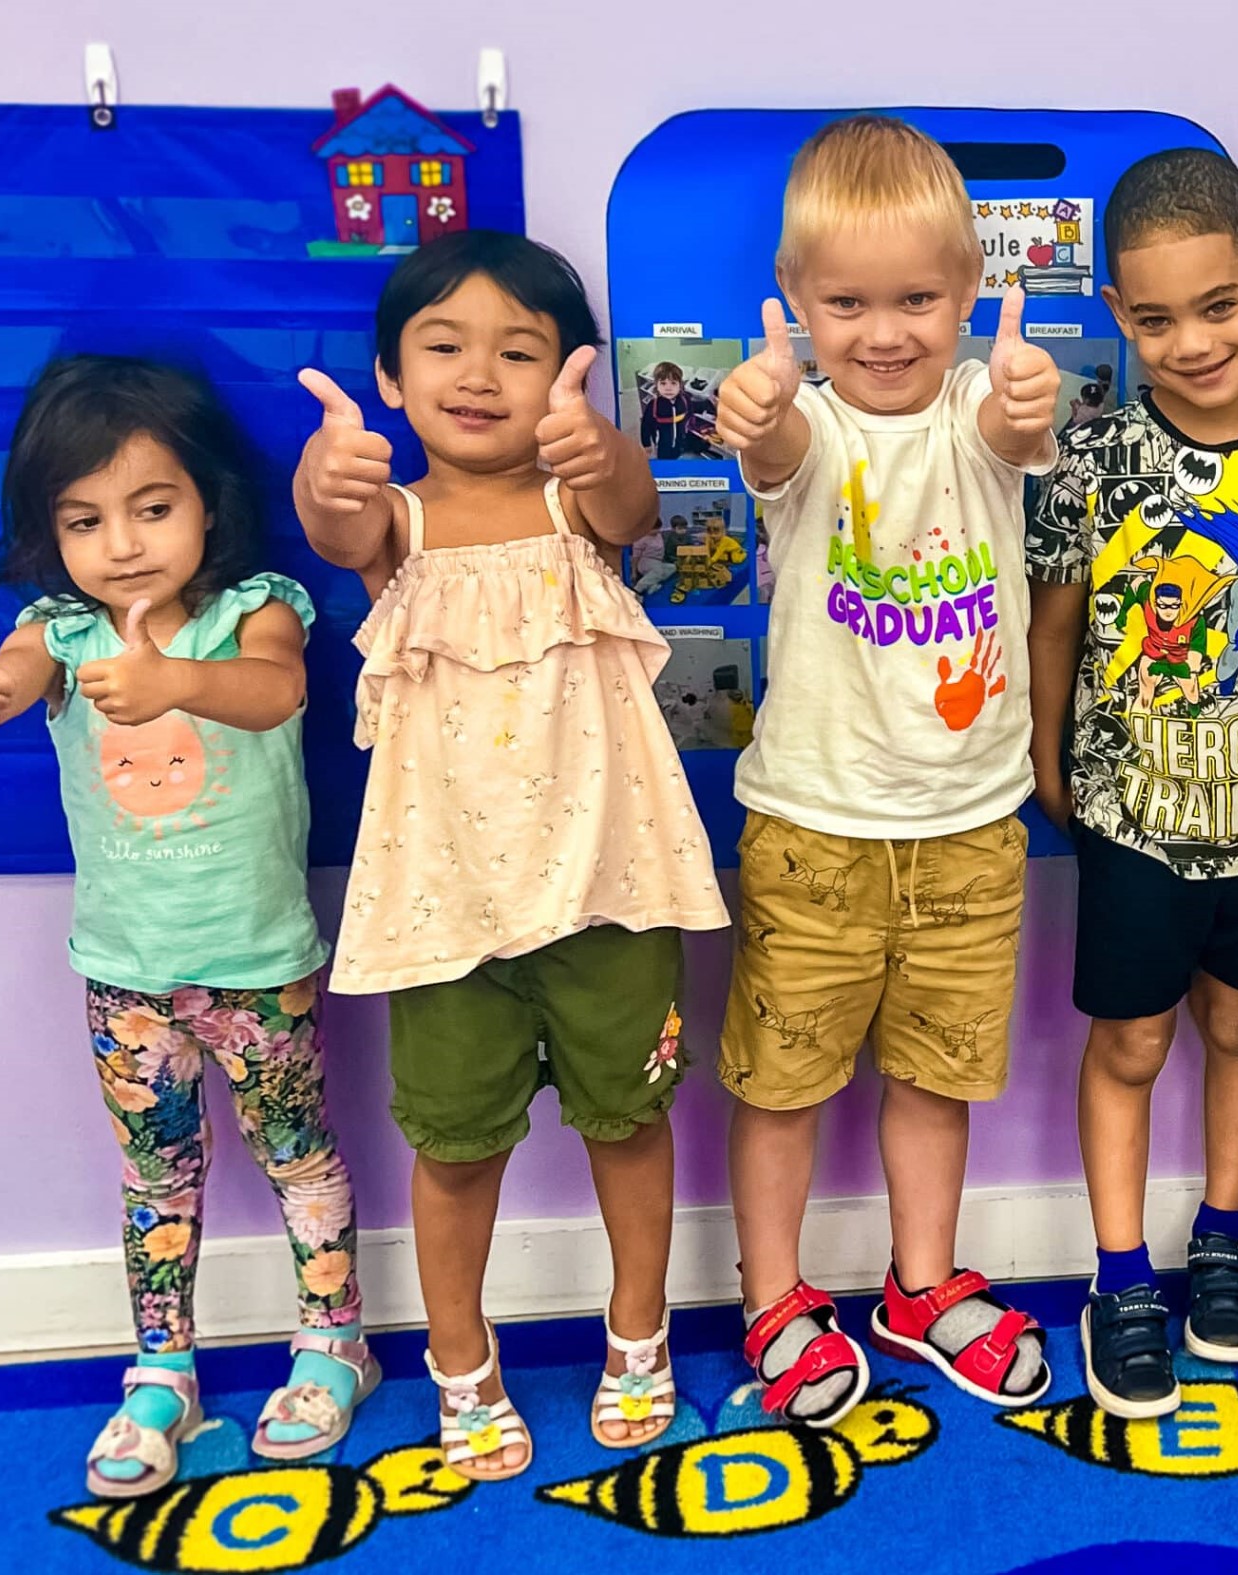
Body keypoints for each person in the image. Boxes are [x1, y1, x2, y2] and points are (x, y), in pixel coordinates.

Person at [292, 230, 729, 1480]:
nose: (480, 372)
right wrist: (329, 483)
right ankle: (458, 1359)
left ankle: (636, 1330)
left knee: (628, 1122)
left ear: (563, 376)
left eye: (518, 351)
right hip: (444, 906)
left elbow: (631, 507)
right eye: (443, 346)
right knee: (454, 1145)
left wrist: (601, 447)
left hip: (609, 882)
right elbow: (335, 533)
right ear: (388, 374)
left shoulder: (569, 503)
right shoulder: (395, 520)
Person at [0, 354, 370, 1497]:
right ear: (49, 531)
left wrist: (175, 677)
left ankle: (334, 1343)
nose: (121, 542)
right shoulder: (59, 632)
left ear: (208, 500)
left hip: (259, 962)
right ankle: (162, 1370)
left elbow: (275, 691)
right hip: (123, 974)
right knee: (155, 1180)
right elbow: (10, 676)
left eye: (151, 507)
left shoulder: (255, 608)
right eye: (84, 518)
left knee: (295, 1155)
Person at [709, 114, 1063, 1425]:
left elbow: (1021, 431)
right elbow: (776, 456)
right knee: (784, 1080)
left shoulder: (983, 405)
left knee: (937, 1073)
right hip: (815, 830)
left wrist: (1029, 397)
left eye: (918, 297)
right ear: (798, 303)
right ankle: (775, 1297)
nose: (885, 329)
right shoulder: (803, 426)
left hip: (975, 828)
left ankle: (921, 1284)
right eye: (846, 302)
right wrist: (757, 407)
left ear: (967, 296)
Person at [1026, 148, 1238, 1418]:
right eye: (1155, 317)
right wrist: (1050, 765)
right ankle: (1118, 1276)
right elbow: (1051, 629)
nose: (1190, 342)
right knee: (1129, 1040)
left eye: (1218, 306)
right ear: (1118, 313)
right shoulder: (1091, 462)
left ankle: (1222, 1233)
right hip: (1131, 823)